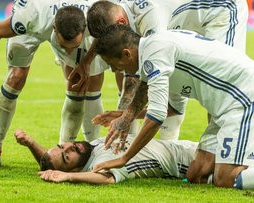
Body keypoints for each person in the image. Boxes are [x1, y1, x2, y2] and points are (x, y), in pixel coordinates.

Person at [92, 24, 254, 189]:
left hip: (243, 98)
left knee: (226, 179)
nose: (113, 70)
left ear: (127, 54)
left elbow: (157, 116)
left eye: (112, 64)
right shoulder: (156, 50)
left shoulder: (154, 55)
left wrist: (124, 159)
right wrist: (126, 115)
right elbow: (173, 108)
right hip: (224, 108)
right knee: (197, 174)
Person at [71, 0, 249, 141]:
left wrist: (127, 116)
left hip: (221, 10)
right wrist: (86, 62)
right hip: (189, 23)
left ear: (121, 23)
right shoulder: (118, 11)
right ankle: (172, 145)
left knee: (221, 85)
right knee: (172, 85)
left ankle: (230, 150)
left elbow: (152, 69)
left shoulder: (151, 18)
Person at [0, 1, 111, 169]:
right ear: (55, 29)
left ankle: (74, 153)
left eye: (73, 47)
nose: (68, 52)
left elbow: (107, 30)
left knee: (82, 83)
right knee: (16, 77)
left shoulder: (92, 16)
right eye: (63, 47)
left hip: (71, 17)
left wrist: (86, 61)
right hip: (38, 20)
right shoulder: (31, 16)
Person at [14, 129, 198, 184]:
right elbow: (107, 178)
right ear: (76, 169)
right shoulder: (100, 164)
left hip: (186, 146)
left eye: (63, 145)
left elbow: (52, 160)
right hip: (189, 163)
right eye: (67, 156)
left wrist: (31, 143)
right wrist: (68, 177)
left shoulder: (88, 149)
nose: (70, 147)